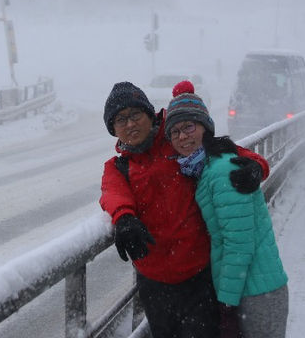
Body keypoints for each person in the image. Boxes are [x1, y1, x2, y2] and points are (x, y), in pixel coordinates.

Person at [99, 81, 270, 338]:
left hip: (198, 276)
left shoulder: (177, 141)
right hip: (154, 282)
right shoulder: (118, 167)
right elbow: (112, 192)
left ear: (150, 115)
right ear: (113, 129)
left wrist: (255, 166)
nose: (130, 124)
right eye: (121, 120)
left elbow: (232, 153)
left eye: (135, 115)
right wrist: (124, 217)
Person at [166, 80, 288, 338]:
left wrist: (227, 304)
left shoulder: (221, 171)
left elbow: (238, 244)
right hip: (251, 288)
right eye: (175, 132)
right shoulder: (206, 167)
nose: (182, 136)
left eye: (189, 126)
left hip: (256, 293)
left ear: (205, 127)